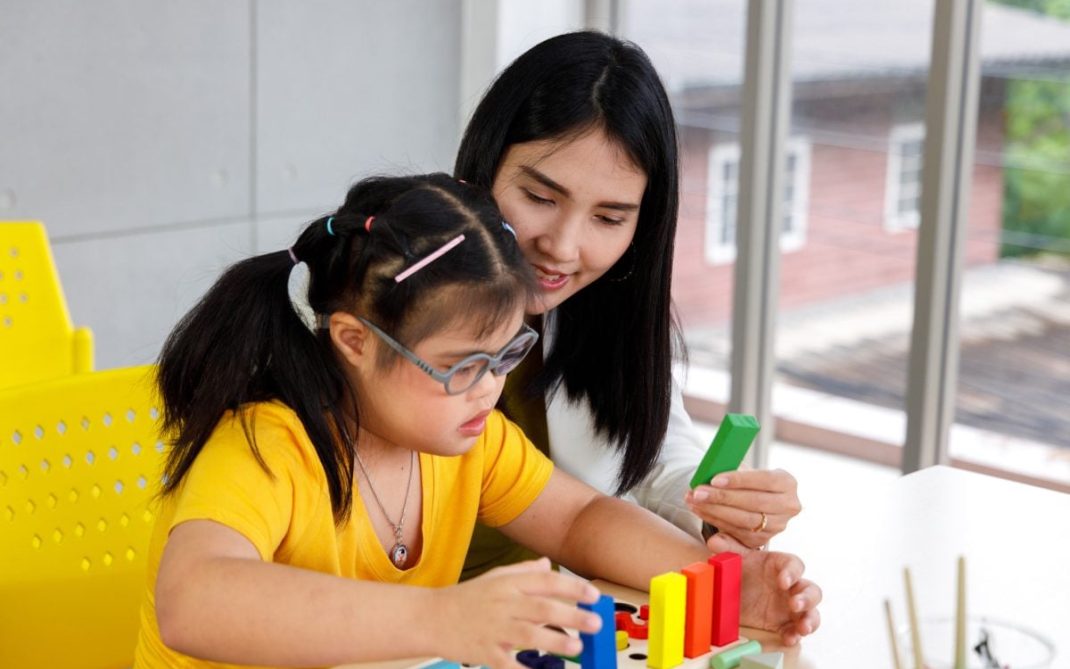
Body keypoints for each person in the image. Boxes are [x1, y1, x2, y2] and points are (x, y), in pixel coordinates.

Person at [133, 174, 821, 669]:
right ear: (354, 340)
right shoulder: (267, 445)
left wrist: (720, 581)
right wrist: (443, 617)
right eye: (461, 365)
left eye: (506, 355)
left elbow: (581, 520)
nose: (489, 388)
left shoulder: (468, 439)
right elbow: (192, 600)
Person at [455, 31, 802, 578]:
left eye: (609, 218)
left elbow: (648, 458)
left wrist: (720, 508)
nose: (563, 247)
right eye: (540, 199)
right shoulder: (389, 305)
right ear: (482, 167)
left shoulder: (609, 306)